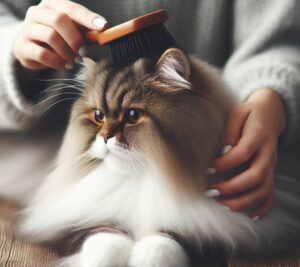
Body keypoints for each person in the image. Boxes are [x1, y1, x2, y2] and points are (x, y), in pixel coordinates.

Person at [0, 0, 300, 220]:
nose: (107, 134)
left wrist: (269, 98)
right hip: (36, 162)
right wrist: (17, 55)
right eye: (101, 118)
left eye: (131, 117)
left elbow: (283, 38)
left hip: (222, 154)